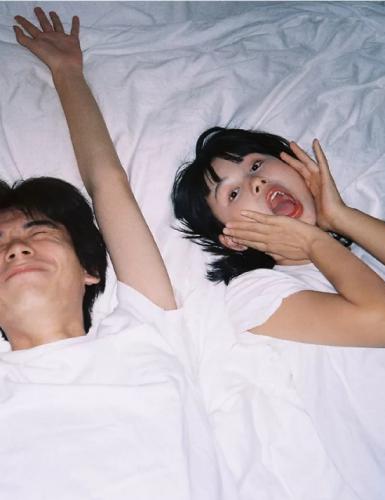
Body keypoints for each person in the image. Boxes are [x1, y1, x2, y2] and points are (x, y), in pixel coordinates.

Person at [1, 8, 224, 499]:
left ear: (89, 269)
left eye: (39, 231)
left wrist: (67, 73)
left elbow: (108, 184)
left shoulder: (145, 329)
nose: (16, 248)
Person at [172, 127, 385, 346]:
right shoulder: (257, 293)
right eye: (233, 193)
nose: (256, 181)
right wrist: (313, 241)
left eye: (256, 165)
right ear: (234, 239)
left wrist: (341, 217)